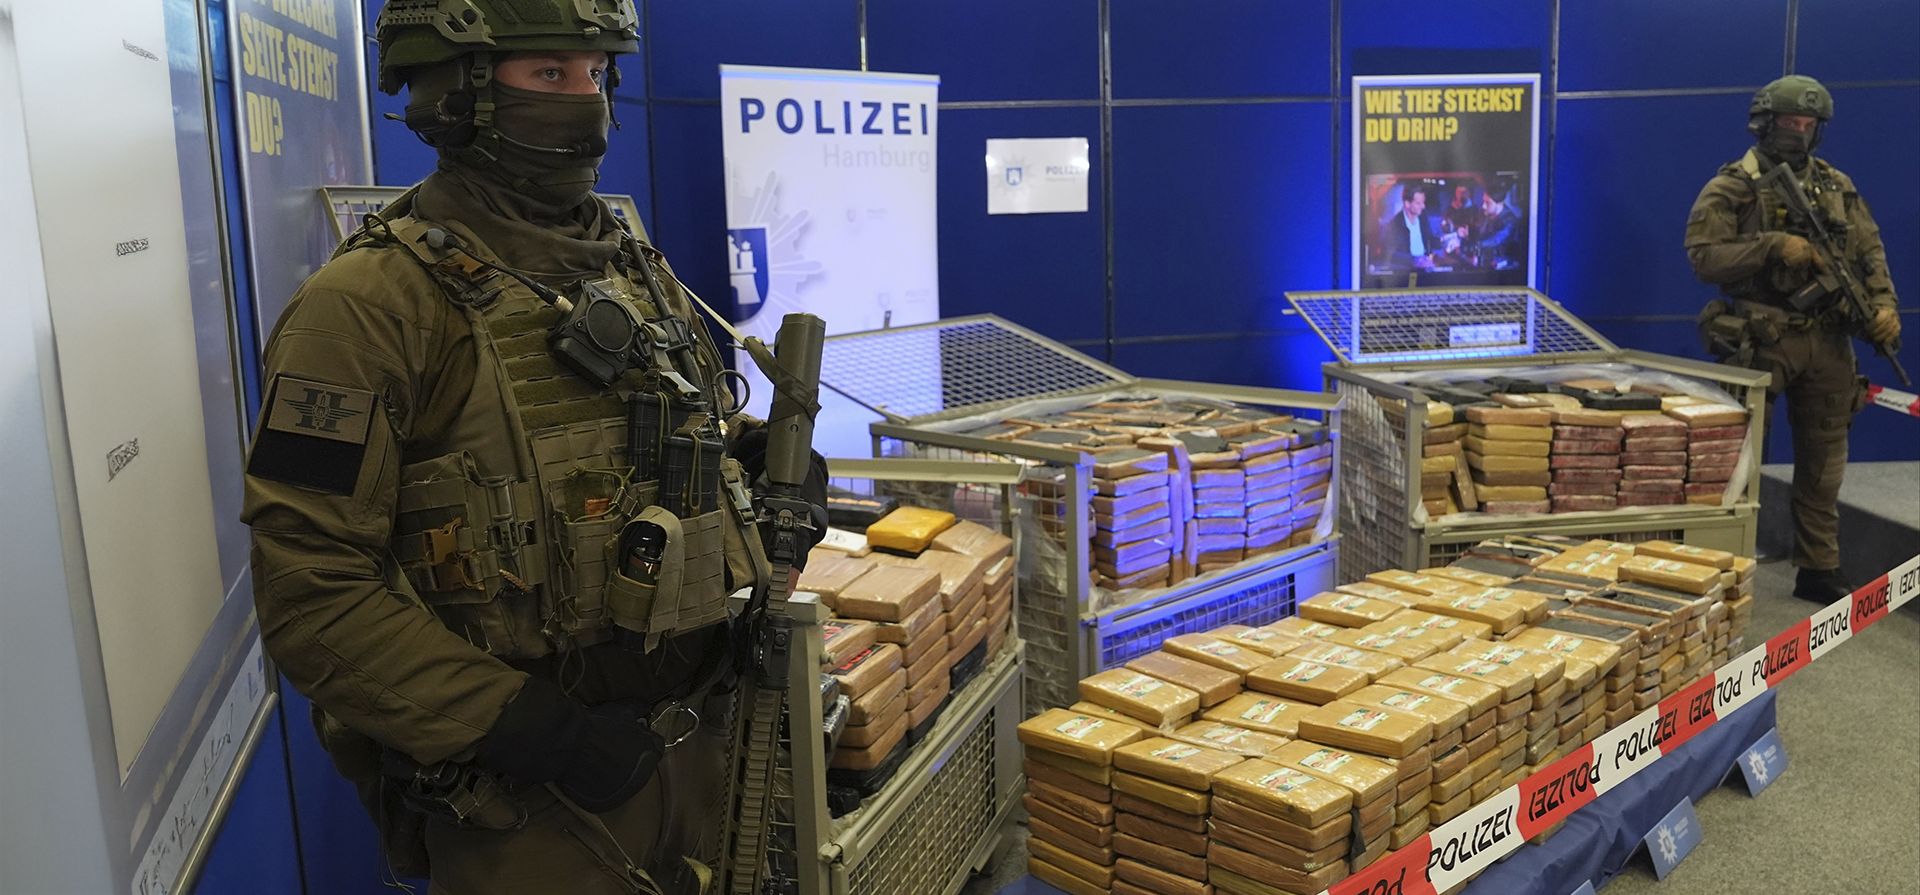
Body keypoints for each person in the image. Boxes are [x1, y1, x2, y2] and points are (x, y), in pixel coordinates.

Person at [240, 2, 824, 893]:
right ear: (454, 90)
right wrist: (524, 725)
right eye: (549, 74)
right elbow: (310, 587)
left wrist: (757, 461)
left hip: (705, 750)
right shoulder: (363, 309)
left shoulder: (627, 261)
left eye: (596, 74)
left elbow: (684, 425)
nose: (584, 100)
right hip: (531, 805)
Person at [1685, 74, 1901, 602]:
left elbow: (1869, 253)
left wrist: (1884, 307)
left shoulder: (1837, 185)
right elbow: (1703, 256)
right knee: (1737, 460)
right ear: (1765, 123)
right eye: (1788, 122)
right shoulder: (1734, 184)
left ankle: (1818, 565)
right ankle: (1723, 566)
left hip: (1828, 342)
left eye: (1808, 124)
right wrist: (1771, 246)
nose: (1798, 133)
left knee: (1825, 463)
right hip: (1761, 336)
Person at [1381, 180, 1440, 272]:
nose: (1423, 206)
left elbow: (1430, 240)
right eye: (1418, 203)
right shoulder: (1395, 224)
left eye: (1423, 202)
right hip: (1406, 272)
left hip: (1426, 270)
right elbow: (1390, 254)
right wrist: (1414, 260)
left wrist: (1447, 240)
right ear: (1407, 204)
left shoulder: (1423, 218)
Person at [1468, 180, 1524, 269]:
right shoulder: (1486, 214)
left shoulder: (1510, 221)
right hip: (1485, 261)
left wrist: (1473, 246)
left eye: (1488, 203)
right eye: (1483, 201)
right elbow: (1479, 233)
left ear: (1499, 203)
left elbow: (1496, 240)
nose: (1483, 206)